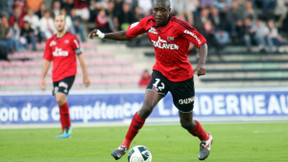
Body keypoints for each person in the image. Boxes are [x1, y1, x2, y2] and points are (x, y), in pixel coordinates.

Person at [88, 0, 213, 160]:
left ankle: (205, 138)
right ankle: (124, 144)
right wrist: (103, 35)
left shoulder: (179, 25)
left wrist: (201, 63)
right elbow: (127, 34)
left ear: (169, 10)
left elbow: (201, 42)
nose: (159, 13)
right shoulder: (148, 23)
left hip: (182, 79)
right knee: (146, 108)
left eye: (163, 10)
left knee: (186, 123)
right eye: (156, 10)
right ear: (152, 10)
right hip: (161, 73)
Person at [40, 14, 91, 138]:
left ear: (65, 23)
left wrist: (85, 75)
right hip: (55, 76)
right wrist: (42, 78)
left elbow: (81, 57)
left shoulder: (72, 39)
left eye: (61, 21)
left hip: (68, 74)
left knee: (59, 98)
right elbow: (47, 61)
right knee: (60, 101)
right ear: (54, 23)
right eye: (57, 21)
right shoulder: (50, 41)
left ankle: (68, 128)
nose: (59, 23)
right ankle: (65, 131)